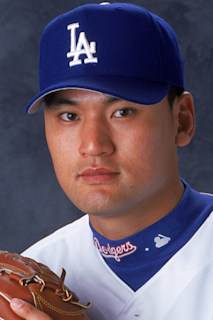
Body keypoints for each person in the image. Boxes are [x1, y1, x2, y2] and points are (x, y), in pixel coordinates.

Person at [9, 2, 213, 320]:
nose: (93, 145)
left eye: (122, 112)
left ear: (182, 120)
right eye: (69, 115)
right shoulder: (29, 284)